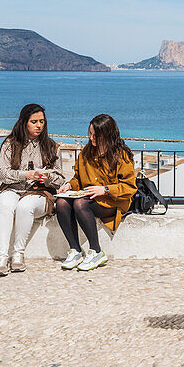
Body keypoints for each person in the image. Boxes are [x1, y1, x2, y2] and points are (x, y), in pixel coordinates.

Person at [55, 114, 137, 272]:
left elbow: (129, 188)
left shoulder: (122, 155)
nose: (92, 138)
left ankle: (96, 251)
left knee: (80, 204)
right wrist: (69, 186)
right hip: (91, 199)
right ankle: (75, 250)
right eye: (90, 134)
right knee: (61, 203)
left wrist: (105, 189)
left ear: (107, 135)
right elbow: (78, 178)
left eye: (96, 135)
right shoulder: (86, 152)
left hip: (113, 201)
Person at [0, 103, 66, 276]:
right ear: (24, 122)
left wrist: (48, 178)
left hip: (40, 193)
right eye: (34, 121)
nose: (39, 125)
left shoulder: (52, 147)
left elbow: (61, 179)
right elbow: (2, 174)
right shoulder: (10, 144)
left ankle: (18, 254)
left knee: (25, 206)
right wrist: (25, 175)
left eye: (42, 121)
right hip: (12, 189)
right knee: (4, 204)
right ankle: (1, 258)